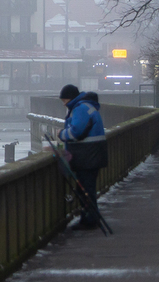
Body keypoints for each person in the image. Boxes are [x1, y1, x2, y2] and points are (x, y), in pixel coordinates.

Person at [58, 84, 108, 229]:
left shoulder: (80, 109)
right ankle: (88, 218)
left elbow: (76, 132)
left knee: (86, 190)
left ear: (69, 98)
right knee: (87, 189)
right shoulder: (86, 106)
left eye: (64, 100)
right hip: (93, 155)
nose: (63, 104)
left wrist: (61, 134)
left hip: (88, 156)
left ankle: (90, 220)